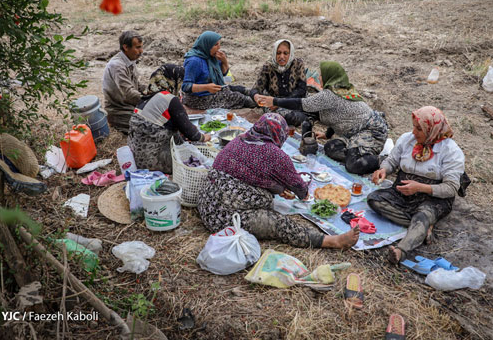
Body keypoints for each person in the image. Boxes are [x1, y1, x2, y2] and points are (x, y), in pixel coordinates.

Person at [197, 113, 360, 249]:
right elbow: (301, 190)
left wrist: (277, 188)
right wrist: (284, 186)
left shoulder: (238, 140)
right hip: (225, 219)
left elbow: (249, 174)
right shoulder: (275, 155)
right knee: (279, 223)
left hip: (206, 203)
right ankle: (330, 241)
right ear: (280, 134)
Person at [367, 106, 465, 265]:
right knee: (374, 200)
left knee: (422, 215)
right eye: (414, 126)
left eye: (419, 129)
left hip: (432, 198)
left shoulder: (451, 152)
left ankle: (401, 251)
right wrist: (383, 169)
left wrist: (420, 187)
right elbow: (392, 160)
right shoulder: (407, 140)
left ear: (432, 130)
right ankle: (423, 227)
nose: (414, 132)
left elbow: (451, 188)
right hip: (402, 192)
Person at [256, 61, 387, 175]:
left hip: (371, 130)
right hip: (352, 132)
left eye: (321, 75)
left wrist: (274, 101)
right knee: (330, 148)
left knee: (353, 165)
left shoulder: (331, 95)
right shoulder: (338, 91)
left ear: (330, 76)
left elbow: (302, 104)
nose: (319, 77)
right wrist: (327, 134)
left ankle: (383, 160)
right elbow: (340, 117)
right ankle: (355, 150)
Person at [127, 82, 211, 174]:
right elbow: (192, 135)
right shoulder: (170, 99)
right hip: (151, 163)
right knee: (191, 159)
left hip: (135, 158)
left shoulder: (149, 96)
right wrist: (204, 137)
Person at [181, 31, 255, 110]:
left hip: (214, 90)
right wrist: (206, 87)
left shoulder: (211, 57)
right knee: (240, 98)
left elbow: (224, 74)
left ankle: (259, 95)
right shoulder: (194, 61)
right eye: (216, 45)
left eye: (219, 44)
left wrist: (224, 61)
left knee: (241, 89)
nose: (219, 48)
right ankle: (260, 103)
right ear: (207, 45)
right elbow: (186, 86)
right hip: (198, 98)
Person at [248, 39, 311, 127]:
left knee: (313, 108)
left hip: (294, 100)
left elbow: (302, 89)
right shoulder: (268, 66)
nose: (282, 56)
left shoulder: (298, 64)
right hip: (273, 104)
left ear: (290, 54)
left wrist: (280, 102)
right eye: (278, 53)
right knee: (279, 118)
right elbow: (255, 89)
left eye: (285, 53)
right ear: (274, 53)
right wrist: (256, 96)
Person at [102, 31, 145, 133]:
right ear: (126, 47)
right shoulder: (117, 66)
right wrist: (151, 100)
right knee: (150, 127)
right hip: (119, 111)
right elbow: (129, 94)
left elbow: (137, 85)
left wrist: (154, 91)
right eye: (138, 47)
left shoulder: (130, 60)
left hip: (130, 107)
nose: (141, 51)